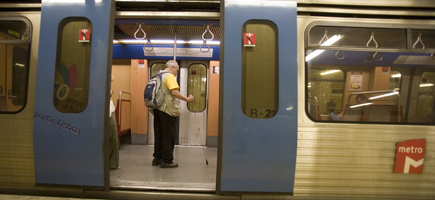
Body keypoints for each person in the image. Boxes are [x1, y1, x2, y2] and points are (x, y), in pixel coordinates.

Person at [152, 60, 194, 168]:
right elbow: (174, 92)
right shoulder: (169, 76)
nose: (176, 73)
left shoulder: (157, 76)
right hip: (167, 110)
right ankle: (166, 160)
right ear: (172, 67)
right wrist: (187, 99)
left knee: (159, 134)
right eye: (176, 70)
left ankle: (157, 158)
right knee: (168, 135)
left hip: (157, 109)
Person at [109, 75, 120, 170]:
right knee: (112, 137)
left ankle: (112, 163)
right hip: (108, 113)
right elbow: (111, 77)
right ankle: (112, 164)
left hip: (109, 111)